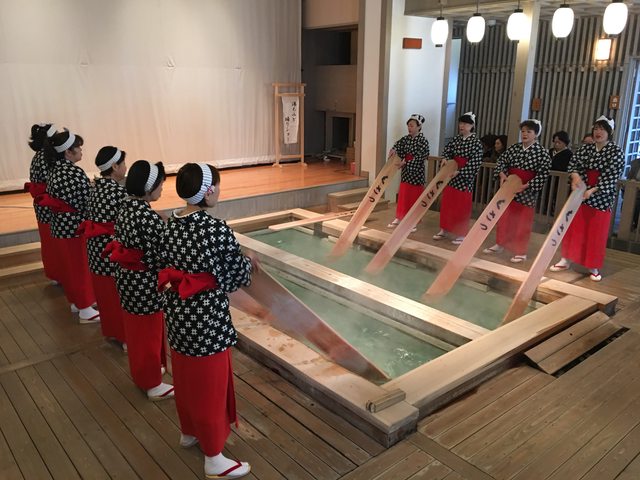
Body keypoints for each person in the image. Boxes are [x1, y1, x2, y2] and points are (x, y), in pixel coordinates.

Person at [159, 163, 256, 479]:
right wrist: (248, 263)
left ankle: (189, 431)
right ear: (209, 191)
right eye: (218, 185)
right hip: (207, 318)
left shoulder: (171, 222)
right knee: (210, 385)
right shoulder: (215, 228)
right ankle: (213, 457)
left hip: (179, 312)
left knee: (186, 377)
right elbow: (235, 275)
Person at [104, 160, 173, 400]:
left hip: (127, 280)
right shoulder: (147, 217)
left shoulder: (127, 206)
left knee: (137, 332)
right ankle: (151, 383)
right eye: (159, 184)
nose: (162, 188)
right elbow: (164, 254)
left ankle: (144, 372)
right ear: (148, 187)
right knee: (148, 333)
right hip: (145, 284)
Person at [550, 116, 625, 281]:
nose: (598, 132)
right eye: (596, 129)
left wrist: (593, 190)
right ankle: (566, 259)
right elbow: (573, 164)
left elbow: (611, 176)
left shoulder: (616, 152)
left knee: (595, 233)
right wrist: (575, 177)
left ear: (610, 132)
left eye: (602, 129)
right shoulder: (586, 149)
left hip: (601, 197)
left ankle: (593, 265)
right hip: (580, 192)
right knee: (574, 228)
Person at [37, 130, 100, 323]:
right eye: (78, 147)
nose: (81, 150)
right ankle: (84, 308)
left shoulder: (56, 169)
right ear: (67, 152)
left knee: (71, 267)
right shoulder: (72, 172)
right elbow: (85, 201)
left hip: (61, 225)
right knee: (79, 266)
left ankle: (77, 302)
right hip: (73, 227)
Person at [78, 146, 128, 348]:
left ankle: (112, 331)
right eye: (123, 163)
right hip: (112, 250)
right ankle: (126, 338)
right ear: (115, 166)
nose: (125, 167)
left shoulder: (95, 187)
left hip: (95, 249)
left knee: (106, 296)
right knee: (119, 296)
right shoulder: (118, 192)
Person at [483, 119, 551, 263]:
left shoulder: (542, 153)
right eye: (523, 131)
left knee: (523, 221)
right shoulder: (514, 148)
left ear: (536, 134)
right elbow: (501, 161)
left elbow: (543, 174)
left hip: (527, 190)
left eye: (529, 131)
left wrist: (527, 185)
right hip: (510, 187)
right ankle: (501, 243)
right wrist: (502, 174)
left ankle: (521, 251)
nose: (524, 134)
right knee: (505, 217)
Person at [433, 112, 484, 244]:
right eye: (461, 123)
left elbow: (475, 162)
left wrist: (460, 172)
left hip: (464, 178)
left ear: (472, 126)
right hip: (451, 175)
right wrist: (445, 159)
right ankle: (445, 229)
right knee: (447, 204)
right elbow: (447, 151)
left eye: (466, 123)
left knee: (461, 207)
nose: (462, 126)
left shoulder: (476, 142)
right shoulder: (456, 139)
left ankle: (462, 233)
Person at [24, 123, 62, 284]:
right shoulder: (46, 157)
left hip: (43, 205)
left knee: (48, 242)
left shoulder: (38, 156)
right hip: (50, 205)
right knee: (54, 242)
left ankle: (54, 273)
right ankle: (59, 273)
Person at [387, 114, 429, 231]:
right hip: (406, 171)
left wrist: (406, 163)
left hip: (416, 172)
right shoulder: (406, 139)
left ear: (419, 127)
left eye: (412, 126)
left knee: (414, 197)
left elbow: (421, 157)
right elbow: (398, 145)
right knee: (403, 194)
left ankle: (413, 221)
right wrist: (393, 149)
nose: (409, 128)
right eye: (408, 126)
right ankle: (400, 217)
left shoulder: (423, 141)